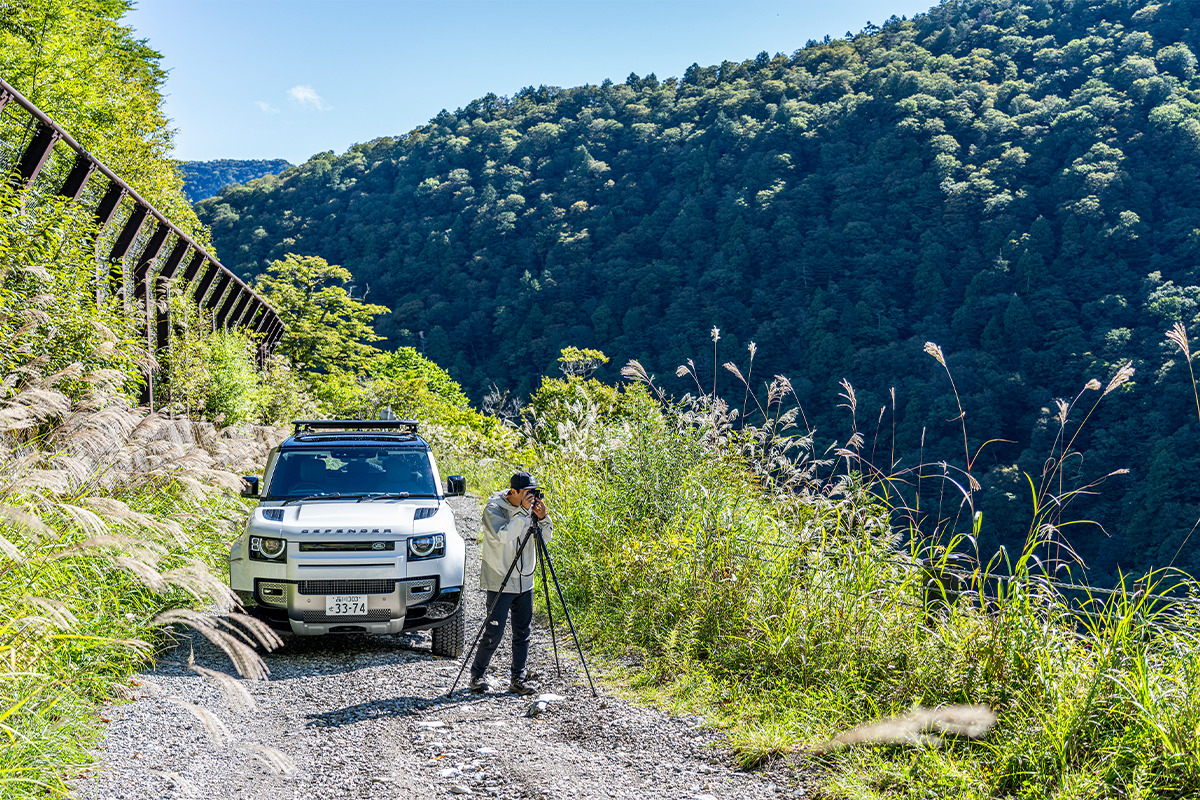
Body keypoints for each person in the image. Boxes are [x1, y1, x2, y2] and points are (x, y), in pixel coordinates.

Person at [469, 471, 552, 695]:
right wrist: (524, 512)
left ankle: (518, 679)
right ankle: (477, 675)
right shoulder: (494, 509)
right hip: (500, 579)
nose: (531, 498)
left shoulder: (531, 510)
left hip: (525, 578)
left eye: (533, 493)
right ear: (513, 492)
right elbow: (504, 536)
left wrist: (542, 518)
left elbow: (545, 538)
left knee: (523, 631)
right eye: (527, 493)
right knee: (494, 632)